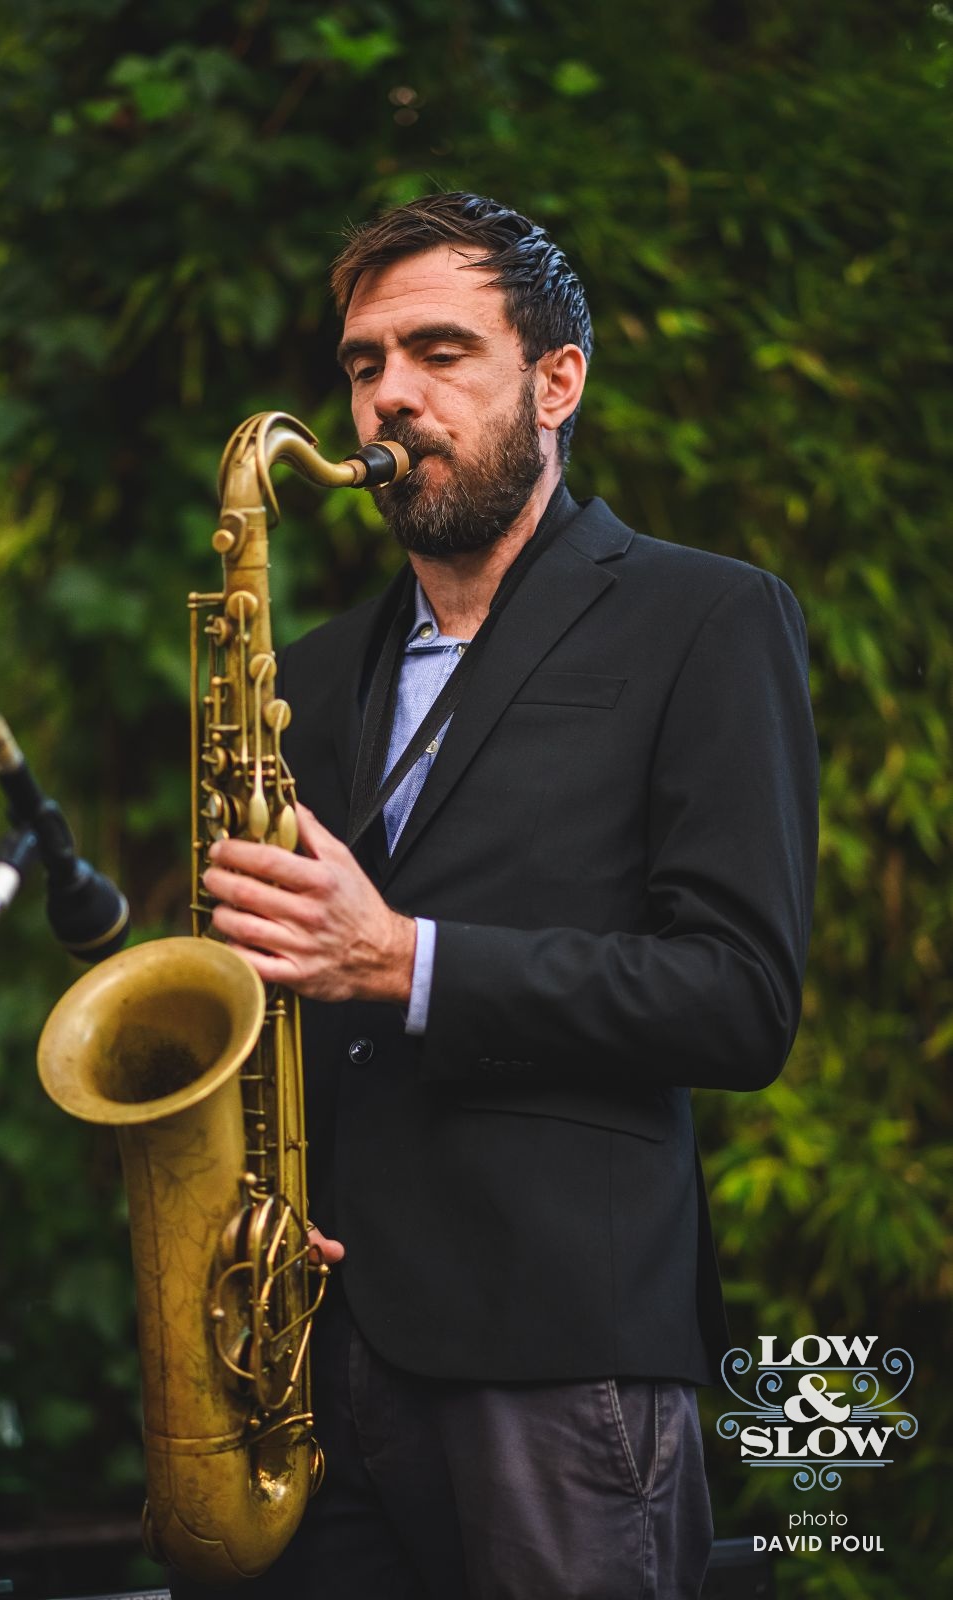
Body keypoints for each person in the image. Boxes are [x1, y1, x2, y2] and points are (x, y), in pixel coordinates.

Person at [184, 193, 819, 1600]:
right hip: (302, 1349)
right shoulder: (307, 670)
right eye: (365, 363)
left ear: (557, 380)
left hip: (559, 1355)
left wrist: (406, 959)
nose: (388, 396)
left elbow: (739, 999)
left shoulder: (709, 619)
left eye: (439, 351)